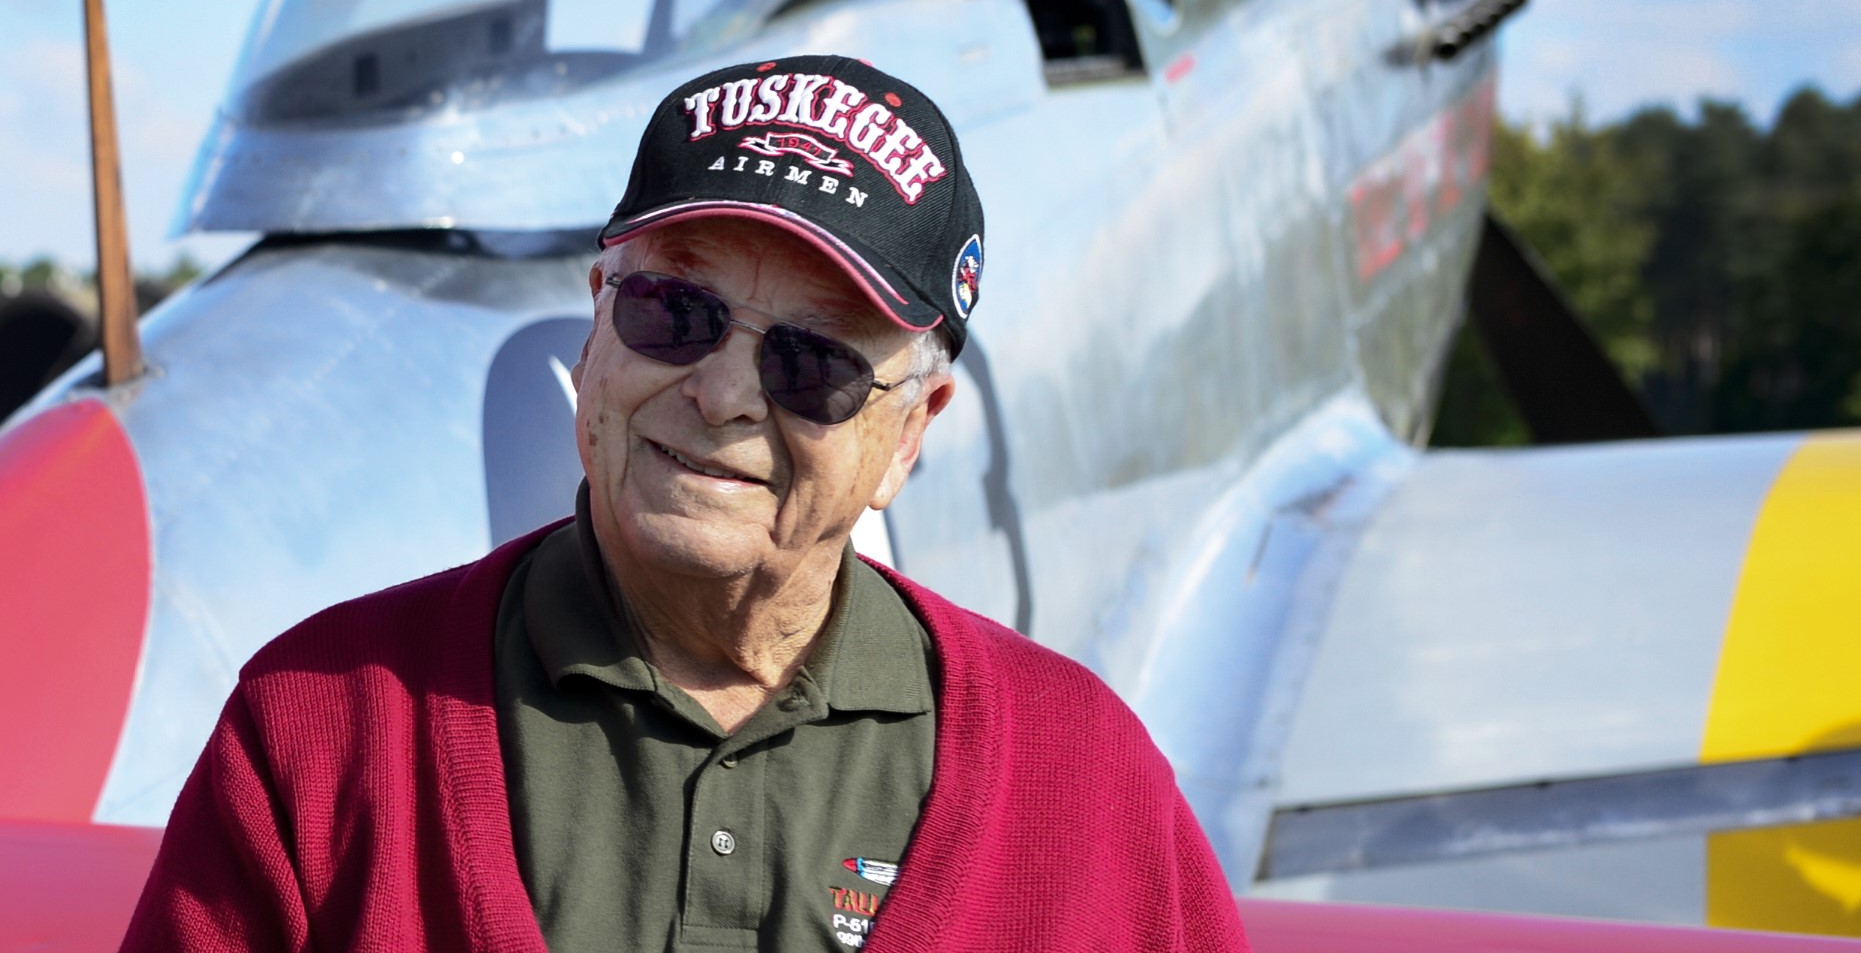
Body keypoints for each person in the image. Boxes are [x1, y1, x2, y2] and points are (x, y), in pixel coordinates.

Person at [119, 55, 1250, 953]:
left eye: (812, 365)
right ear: (597, 316)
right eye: (675, 310)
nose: (718, 395)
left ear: (908, 432)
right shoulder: (318, 734)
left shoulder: (1089, 787)